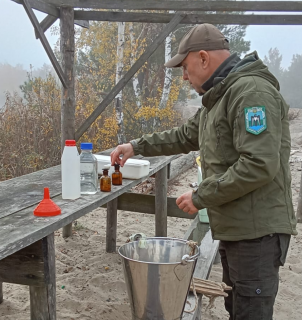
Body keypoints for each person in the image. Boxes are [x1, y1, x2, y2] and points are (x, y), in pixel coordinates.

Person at [110, 24, 297, 319]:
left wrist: (201, 195)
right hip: (237, 228)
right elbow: (185, 135)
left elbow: (259, 165)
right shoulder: (219, 97)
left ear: (203, 58)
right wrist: (136, 146)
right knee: (237, 308)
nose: (184, 77)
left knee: (250, 311)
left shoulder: (251, 93)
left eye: (185, 67)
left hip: (257, 234)